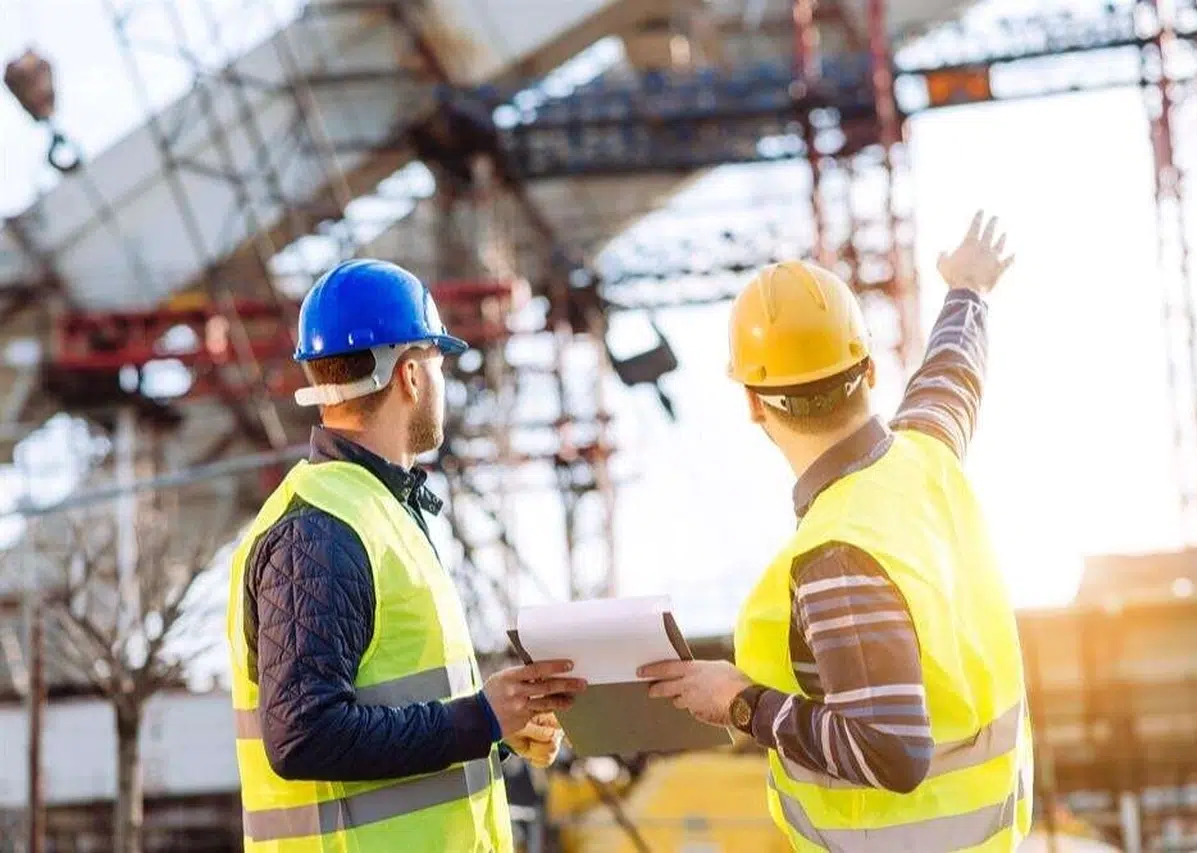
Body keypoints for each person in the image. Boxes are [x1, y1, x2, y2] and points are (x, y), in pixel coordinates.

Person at [640, 212, 1033, 852]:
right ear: (869, 371)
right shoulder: (925, 458)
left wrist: (740, 702)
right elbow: (952, 376)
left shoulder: (838, 554)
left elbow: (891, 751)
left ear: (753, 403)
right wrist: (968, 291)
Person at [225, 258, 586, 852]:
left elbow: (394, 707)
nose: (442, 380)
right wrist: (480, 718)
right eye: (439, 361)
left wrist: (496, 731)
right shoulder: (321, 530)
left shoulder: (373, 511)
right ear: (411, 375)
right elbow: (303, 735)